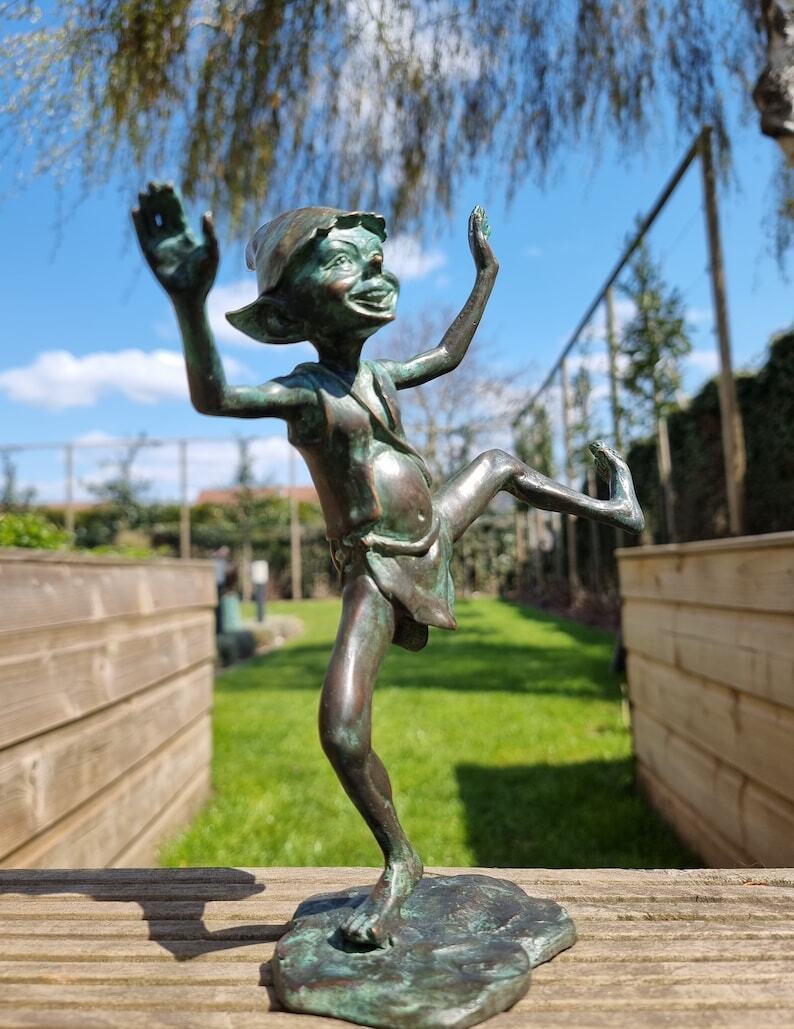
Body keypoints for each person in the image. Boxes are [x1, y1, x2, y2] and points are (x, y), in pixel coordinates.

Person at [133, 184, 644, 948]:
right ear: (289, 315)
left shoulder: (379, 376)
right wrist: (188, 302)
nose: (377, 273)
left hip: (432, 528)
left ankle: (617, 509)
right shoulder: (308, 394)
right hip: (374, 567)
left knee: (500, 462)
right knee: (343, 732)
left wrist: (486, 274)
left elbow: (449, 354)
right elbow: (214, 396)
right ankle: (401, 857)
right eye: (349, 263)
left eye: (376, 260)